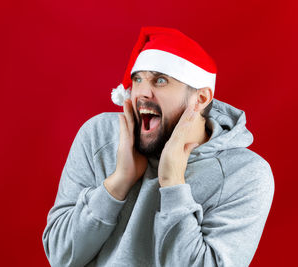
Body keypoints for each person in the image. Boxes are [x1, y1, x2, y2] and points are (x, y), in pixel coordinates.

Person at [42, 26, 274, 267]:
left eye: (160, 80)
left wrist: (173, 184)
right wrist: (118, 182)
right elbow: (60, 256)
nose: (142, 92)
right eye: (137, 79)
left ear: (201, 98)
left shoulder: (245, 174)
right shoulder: (98, 136)